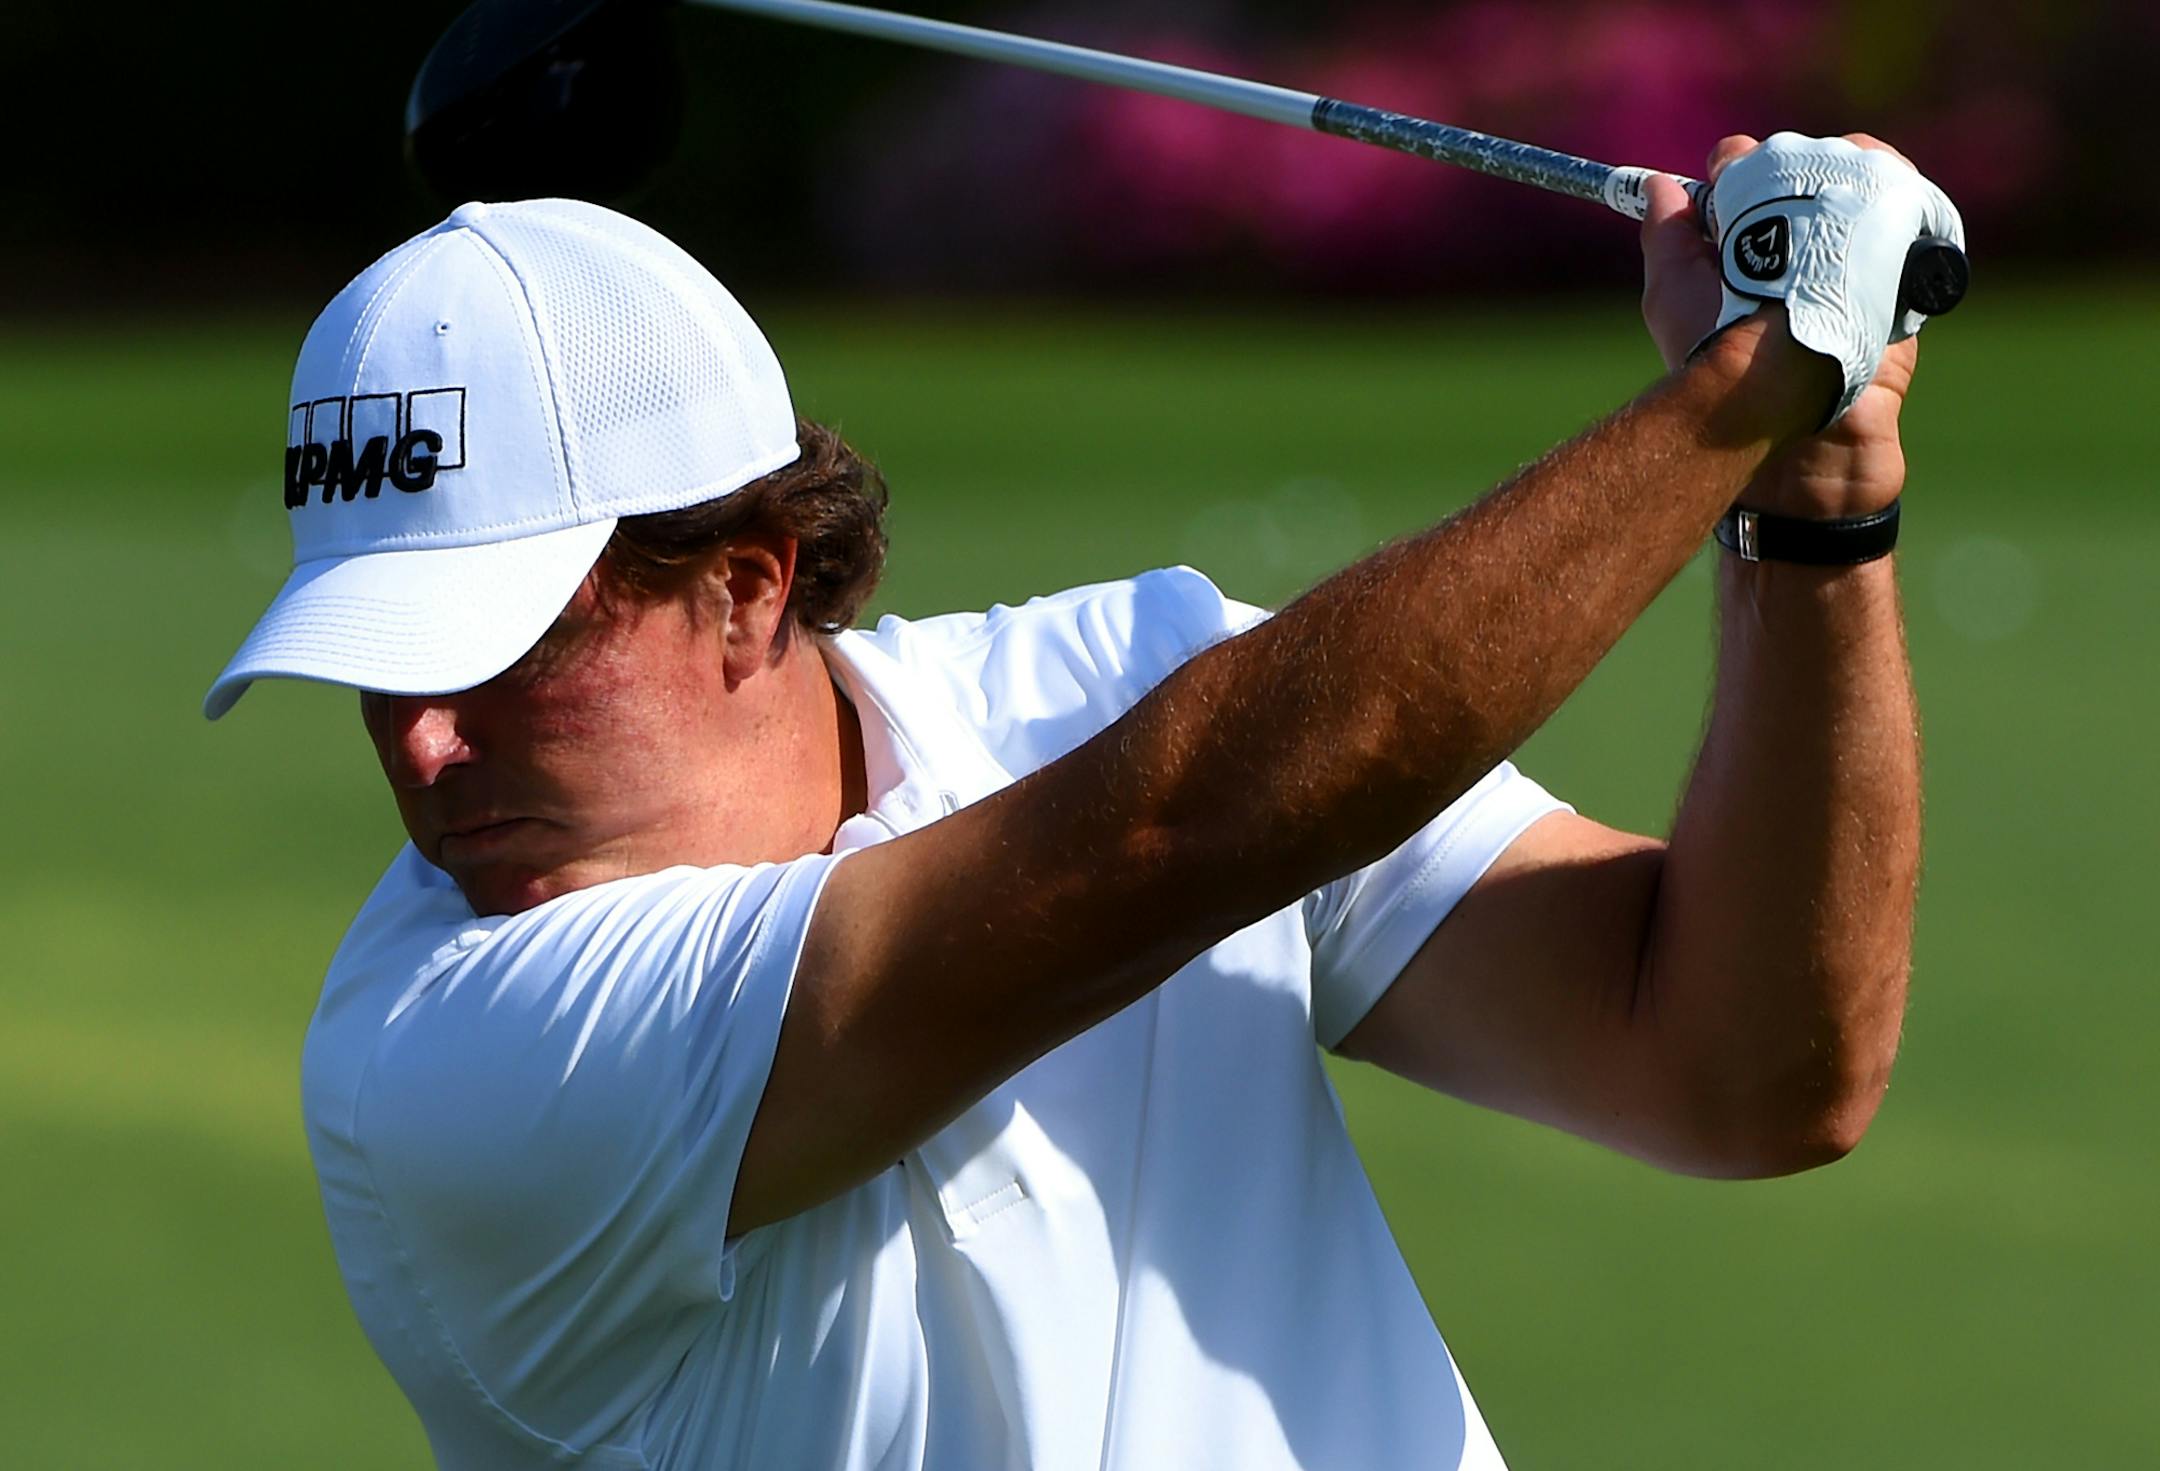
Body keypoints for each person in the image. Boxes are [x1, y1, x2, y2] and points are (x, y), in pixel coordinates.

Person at [206, 132, 1960, 1469]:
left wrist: (1817, 504)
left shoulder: (1121, 682)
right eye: (378, 669)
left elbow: (1752, 1071)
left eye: (500, 655)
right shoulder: (442, 1058)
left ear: (748, 582)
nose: (421, 751)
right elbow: (1179, 833)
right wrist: (1752, 379)